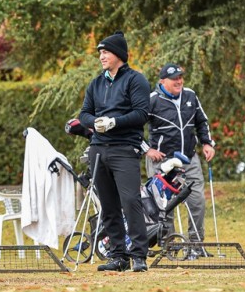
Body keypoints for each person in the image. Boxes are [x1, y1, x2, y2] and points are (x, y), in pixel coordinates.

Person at [79, 31, 151, 272]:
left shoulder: (135, 80)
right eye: (100, 52)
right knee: (108, 205)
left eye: (106, 52)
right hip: (98, 149)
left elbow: (142, 113)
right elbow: (84, 113)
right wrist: (94, 122)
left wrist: (114, 122)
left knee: (130, 201)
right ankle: (118, 255)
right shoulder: (96, 83)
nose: (102, 56)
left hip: (125, 148)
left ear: (119, 54)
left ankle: (138, 255)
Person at [145, 63, 215, 245]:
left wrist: (207, 143)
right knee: (164, 207)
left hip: (189, 159)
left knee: (197, 201)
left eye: (180, 77)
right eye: (174, 79)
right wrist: (147, 149)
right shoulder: (151, 100)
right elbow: (134, 127)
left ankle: (196, 244)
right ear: (163, 81)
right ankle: (170, 246)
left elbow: (202, 122)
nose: (179, 81)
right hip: (162, 161)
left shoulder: (190, 95)